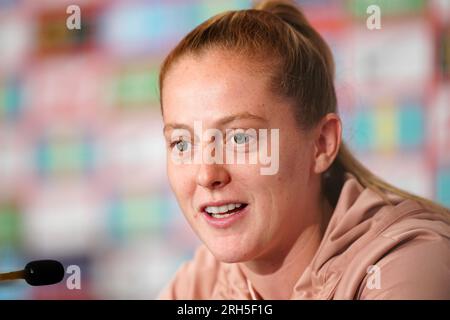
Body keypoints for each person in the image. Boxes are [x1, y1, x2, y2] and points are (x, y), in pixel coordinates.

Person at [157, 0, 450, 299]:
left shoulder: (406, 263)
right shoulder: (201, 284)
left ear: (321, 144)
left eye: (240, 139)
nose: (207, 175)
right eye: (182, 143)